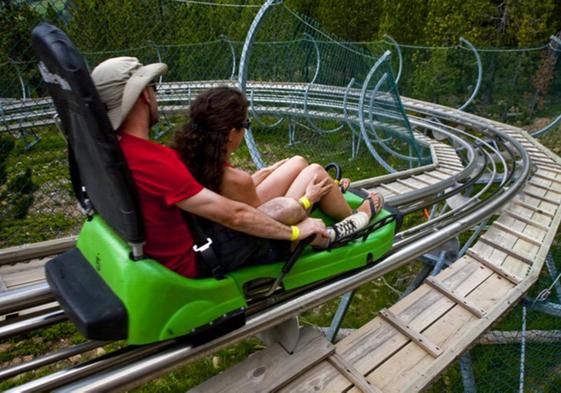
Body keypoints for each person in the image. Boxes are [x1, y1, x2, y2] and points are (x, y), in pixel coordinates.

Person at [91, 57, 329, 279]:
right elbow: (236, 216)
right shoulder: (153, 159)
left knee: (281, 205)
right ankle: (332, 236)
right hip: (195, 261)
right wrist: (297, 231)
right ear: (144, 95)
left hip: (166, 246)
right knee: (286, 209)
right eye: (153, 87)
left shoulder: (113, 153)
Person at [172, 86, 384, 235]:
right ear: (230, 133)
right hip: (261, 237)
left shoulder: (192, 157)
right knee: (317, 173)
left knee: (298, 162)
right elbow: (264, 219)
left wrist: (269, 170)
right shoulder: (235, 180)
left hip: (223, 223)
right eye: (245, 124)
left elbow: (239, 198)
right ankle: (353, 218)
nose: (246, 131)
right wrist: (308, 199)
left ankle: (329, 193)